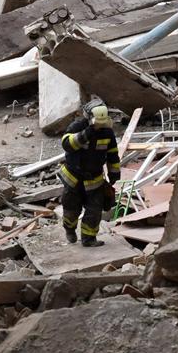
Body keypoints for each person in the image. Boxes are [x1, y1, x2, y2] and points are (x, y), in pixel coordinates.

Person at [58, 101, 120, 247]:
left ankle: (89, 239)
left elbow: (113, 155)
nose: (100, 125)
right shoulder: (77, 126)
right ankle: (70, 230)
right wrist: (86, 134)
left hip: (95, 179)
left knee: (94, 210)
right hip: (74, 178)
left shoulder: (107, 132)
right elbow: (66, 144)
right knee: (71, 209)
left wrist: (114, 173)